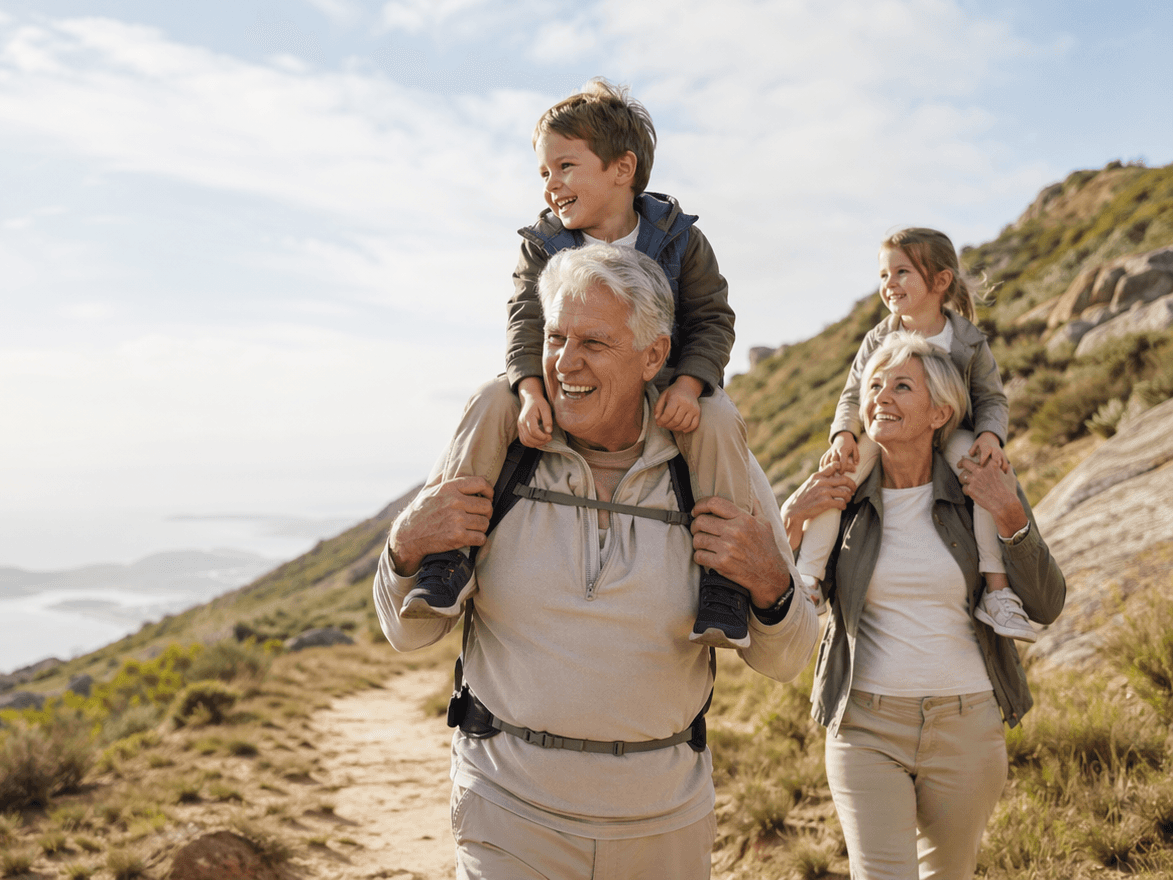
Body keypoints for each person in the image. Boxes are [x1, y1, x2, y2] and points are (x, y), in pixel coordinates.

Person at [375, 242, 818, 879]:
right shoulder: (505, 447)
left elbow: (786, 658)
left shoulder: (712, 465)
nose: (564, 363)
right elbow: (406, 630)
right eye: (555, 339)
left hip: (662, 825)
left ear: (654, 355)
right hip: (508, 810)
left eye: (594, 343)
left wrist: (772, 582)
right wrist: (405, 544)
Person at [401, 77, 759, 651]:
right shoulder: (541, 243)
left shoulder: (681, 240)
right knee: (490, 400)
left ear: (623, 169)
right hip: (561, 382)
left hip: (658, 386)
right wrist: (528, 390)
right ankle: (449, 556)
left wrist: (690, 385)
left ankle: (724, 584)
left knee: (719, 421)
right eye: (544, 174)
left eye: (565, 167)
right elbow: (524, 319)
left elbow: (712, 319)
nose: (551, 186)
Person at [804, 332, 1064, 880]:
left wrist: (1012, 517)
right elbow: (790, 597)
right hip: (864, 725)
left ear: (940, 411)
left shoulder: (980, 483)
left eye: (902, 386)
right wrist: (791, 514)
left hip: (966, 726)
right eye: (874, 386)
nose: (880, 397)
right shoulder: (845, 489)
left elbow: (1046, 604)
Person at [795, 227, 1036, 640]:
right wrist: (843, 436)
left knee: (987, 474)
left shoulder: (968, 341)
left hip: (952, 430)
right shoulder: (878, 338)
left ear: (940, 282)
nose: (890, 284)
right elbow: (854, 393)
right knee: (837, 479)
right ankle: (809, 581)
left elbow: (991, 398)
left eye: (902, 272)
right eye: (885, 275)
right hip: (886, 431)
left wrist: (990, 437)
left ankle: (997, 591)